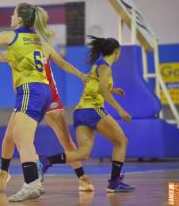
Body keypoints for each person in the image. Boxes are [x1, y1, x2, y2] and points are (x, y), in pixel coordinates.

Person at [0, 43, 94, 192]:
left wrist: (81, 75)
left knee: (66, 140)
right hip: (30, 98)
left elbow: (63, 64)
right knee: (9, 137)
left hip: (50, 96)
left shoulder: (43, 47)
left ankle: (82, 177)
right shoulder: (16, 49)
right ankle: (4, 172)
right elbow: (6, 61)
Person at [0, 3, 55, 202]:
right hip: (43, 91)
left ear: (19, 19)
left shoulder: (10, 35)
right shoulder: (36, 39)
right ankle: (23, 179)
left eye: (13, 15)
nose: (10, 18)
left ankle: (31, 184)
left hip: (29, 90)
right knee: (12, 137)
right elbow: (14, 58)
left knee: (23, 140)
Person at [39, 36, 135, 193]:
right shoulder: (105, 68)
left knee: (83, 153)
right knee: (121, 141)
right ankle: (114, 182)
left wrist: (113, 90)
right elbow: (102, 90)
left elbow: (95, 87)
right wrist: (120, 110)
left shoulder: (97, 65)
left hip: (80, 112)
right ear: (116, 52)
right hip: (93, 110)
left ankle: (46, 160)